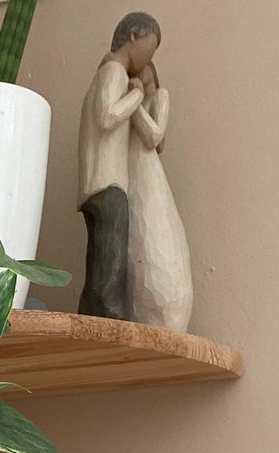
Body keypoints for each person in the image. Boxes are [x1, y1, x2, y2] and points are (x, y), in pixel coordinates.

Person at [77, 11, 164, 320]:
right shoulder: (113, 71)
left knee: (98, 256)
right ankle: (108, 318)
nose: (149, 59)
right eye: (149, 49)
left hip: (95, 181)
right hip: (108, 180)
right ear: (133, 38)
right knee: (110, 256)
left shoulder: (105, 74)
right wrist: (137, 95)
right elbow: (107, 116)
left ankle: (90, 316)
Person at [127, 61, 193, 330]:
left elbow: (154, 135)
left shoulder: (159, 96)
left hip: (147, 170)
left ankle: (165, 313)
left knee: (155, 232)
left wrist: (135, 103)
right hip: (132, 170)